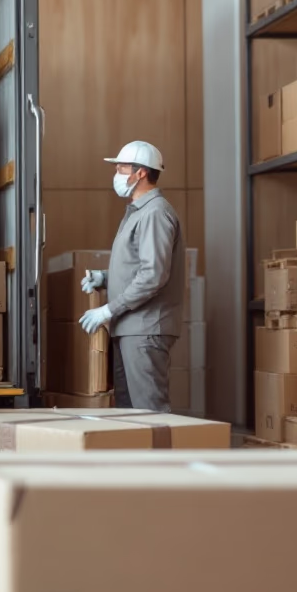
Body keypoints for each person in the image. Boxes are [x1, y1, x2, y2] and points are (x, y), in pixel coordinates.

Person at [78, 141, 185, 412]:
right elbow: (138, 266)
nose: (116, 171)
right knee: (130, 414)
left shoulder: (155, 213)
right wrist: (104, 278)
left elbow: (153, 275)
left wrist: (108, 310)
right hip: (130, 328)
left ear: (141, 173)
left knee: (149, 411)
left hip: (145, 329)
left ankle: (160, 456)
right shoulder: (138, 212)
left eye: (122, 167)